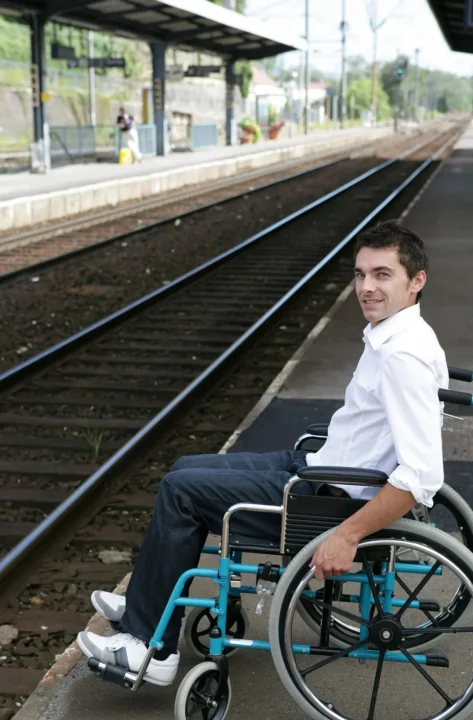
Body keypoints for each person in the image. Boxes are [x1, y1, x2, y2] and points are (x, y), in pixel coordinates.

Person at [77, 219, 448, 687]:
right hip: (316, 469)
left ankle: (151, 646)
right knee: (184, 468)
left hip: (324, 501)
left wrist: (348, 536)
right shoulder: (395, 334)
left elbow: (421, 476)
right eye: (359, 274)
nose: (366, 287)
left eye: (382, 274)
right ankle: (146, 604)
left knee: (180, 492)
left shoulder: (402, 356)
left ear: (416, 281)